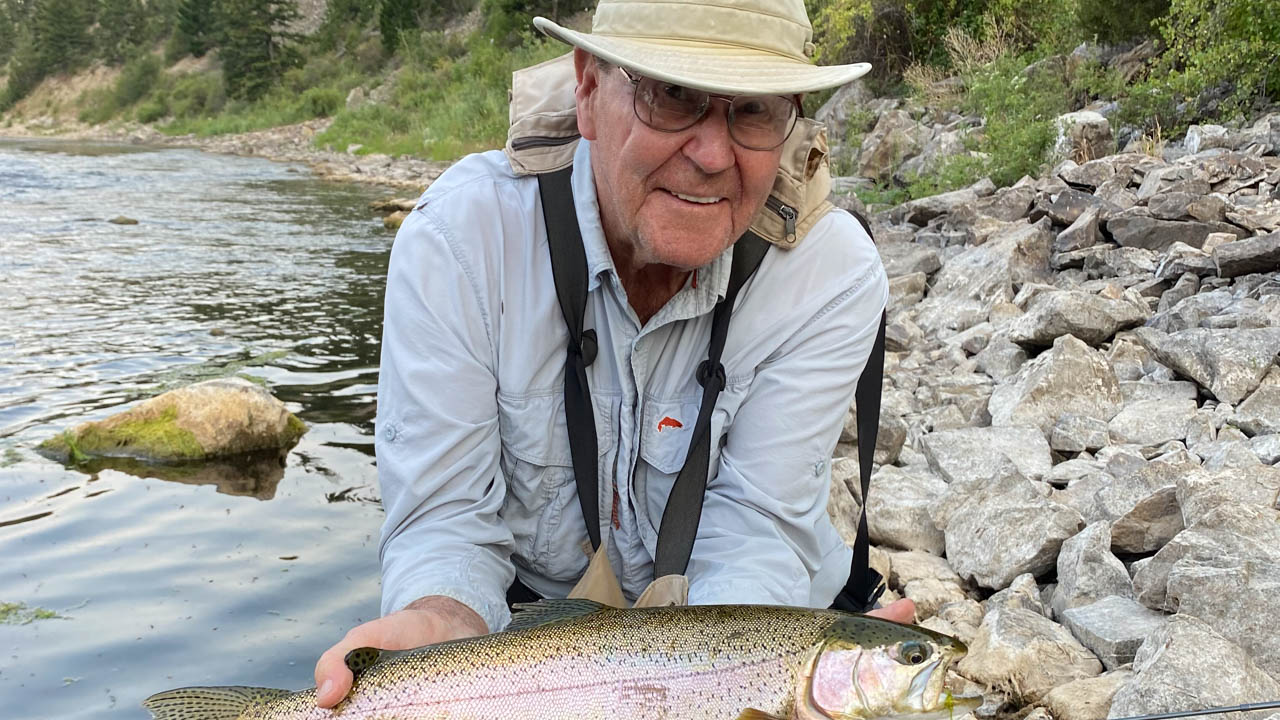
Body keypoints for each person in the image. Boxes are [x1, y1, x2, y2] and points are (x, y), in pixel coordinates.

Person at [312, 0, 908, 708]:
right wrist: (441, 619)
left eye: (752, 110)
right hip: (531, 653)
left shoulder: (829, 273)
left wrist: (759, 691)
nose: (713, 155)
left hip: (737, 631)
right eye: (672, 95)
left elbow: (758, 526)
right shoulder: (460, 241)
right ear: (588, 90)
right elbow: (446, 520)